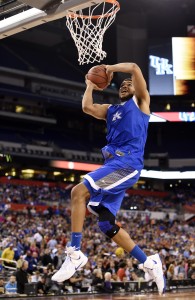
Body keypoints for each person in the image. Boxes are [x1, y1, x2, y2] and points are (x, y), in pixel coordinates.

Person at [51, 62, 166, 295]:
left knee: (78, 192)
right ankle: (149, 262)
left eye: (128, 83)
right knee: (106, 224)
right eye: (122, 84)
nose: (125, 85)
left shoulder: (141, 103)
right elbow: (87, 107)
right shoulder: (112, 110)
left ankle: (75, 252)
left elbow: (133, 67)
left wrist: (110, 68)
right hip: (113, 165)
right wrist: (90, 85)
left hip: (127, 164)